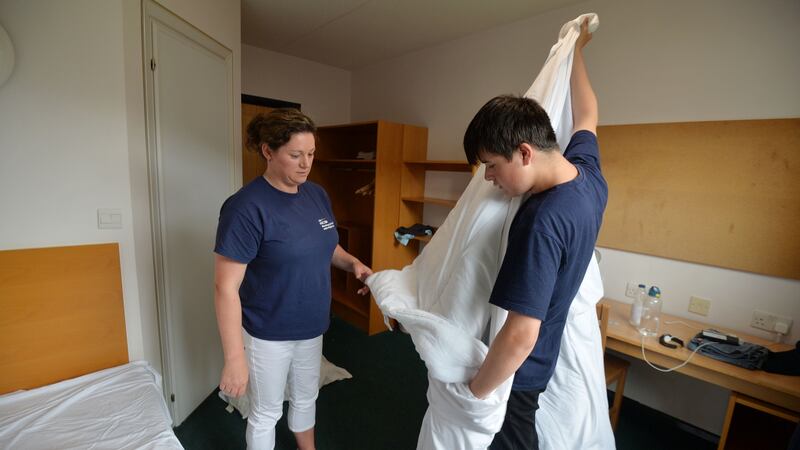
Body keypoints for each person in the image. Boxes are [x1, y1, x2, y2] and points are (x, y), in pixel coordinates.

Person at [464, 19, 605, 449]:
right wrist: (576, 49)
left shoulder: (540, 223)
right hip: (543, 361)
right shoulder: (589, 177)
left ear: (525, 152)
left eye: (491, 164)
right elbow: (588, 114)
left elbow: (520, 334)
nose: (489, 178)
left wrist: (474, 393)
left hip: (520, 374)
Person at [213, 108, 372, 450]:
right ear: (268, 152)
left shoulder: (316, 195)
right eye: (295, 155)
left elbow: (326, 246)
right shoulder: (245, 208)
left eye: (311, 154)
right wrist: (234, 357)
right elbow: (225, 288)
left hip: (312, 325)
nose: (306, 164)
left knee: (305, 397)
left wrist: (353, 263)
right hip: (268, 332)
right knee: (266, 411)